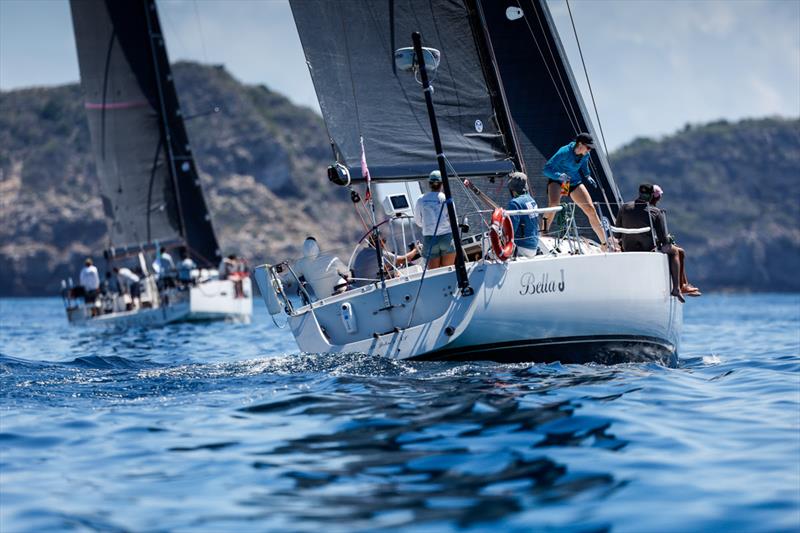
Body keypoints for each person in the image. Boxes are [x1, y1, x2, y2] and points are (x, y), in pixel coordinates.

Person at [613, 183, 684, 303]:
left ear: (639, 193)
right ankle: (676, 288)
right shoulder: (655, 212)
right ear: (651, 196)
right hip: (647, 249)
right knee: (676, 251)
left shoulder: (624, 207)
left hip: (628, 248)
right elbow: (664, 240)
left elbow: (617, 235)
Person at [542, 132, 608, 248]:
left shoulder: (585, 154)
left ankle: (604, 243)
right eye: (588, 147)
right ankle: (543, 232)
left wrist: (587, 175)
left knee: (591, 209)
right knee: (554, 205)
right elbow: (546, 169)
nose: (589, 150)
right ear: (580, 144)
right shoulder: (564, 152)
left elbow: (584, 165)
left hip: (573, 181)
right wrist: (559, 176)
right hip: (558, 180)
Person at [650, 185, 701, 297]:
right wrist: (669, 239)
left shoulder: (632, 209)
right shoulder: (656, 212)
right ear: (657, 198)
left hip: (636, 243)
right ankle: (680, 286)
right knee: (679, 251)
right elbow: (663, 238)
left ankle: (684, 285)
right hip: (651, 246)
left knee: (677, 249)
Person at [414, 170, 455, 269]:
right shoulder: (446, 198)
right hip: (446, 237)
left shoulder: (420, 199)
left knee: (435, 273)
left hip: (430, 239)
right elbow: (453, 221)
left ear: (429, 184)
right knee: (448, 271)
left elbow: (418, 222)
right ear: (442, 184)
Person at [351, 234, 421, 287]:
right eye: (384, 243)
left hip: (359, 287)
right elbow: (405, 259)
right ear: (382, 243)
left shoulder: (362, 253)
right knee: (397, 274)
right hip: (371, 287)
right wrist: (415, 249)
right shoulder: (379, 253)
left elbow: (372, 268)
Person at [292, 237, 350, 301]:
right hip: (341, 292)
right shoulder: (331, 258)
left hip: (323, 299)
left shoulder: (300, 264)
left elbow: (288, 279)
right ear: (316, 247)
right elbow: (347, 273)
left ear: (303, 249)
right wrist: (349, 277)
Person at [505, 172, 540, 258]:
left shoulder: (515, 203)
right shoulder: (531, 200)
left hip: (521, 247)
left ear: (513, 189)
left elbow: (511, 229)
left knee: (489, 255)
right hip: (533, 246)